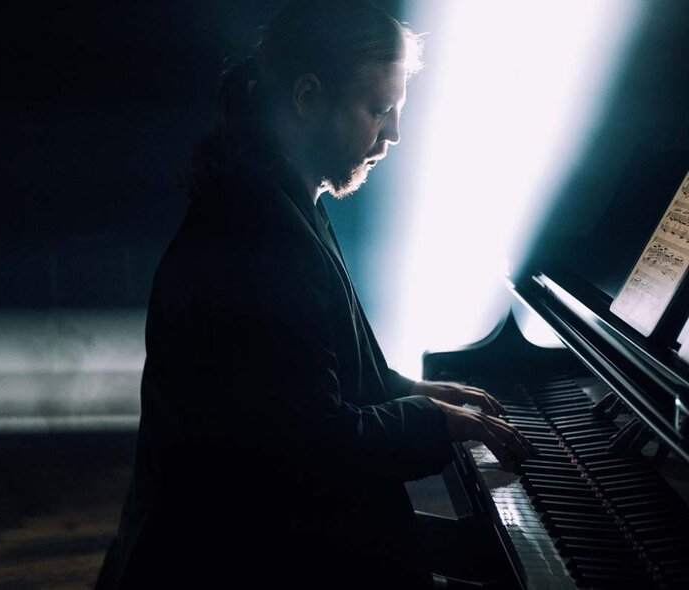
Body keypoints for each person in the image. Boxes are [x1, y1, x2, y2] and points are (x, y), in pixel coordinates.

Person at [97, 1, 533, 587]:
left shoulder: (281, 197)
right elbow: (315, 444)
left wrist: (412, 390)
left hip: (266, 533)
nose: (395, 133)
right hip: (229, 557)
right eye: (379, 109)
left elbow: (314, 376)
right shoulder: (259, 237)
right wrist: (435, 421)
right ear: (307, 98)